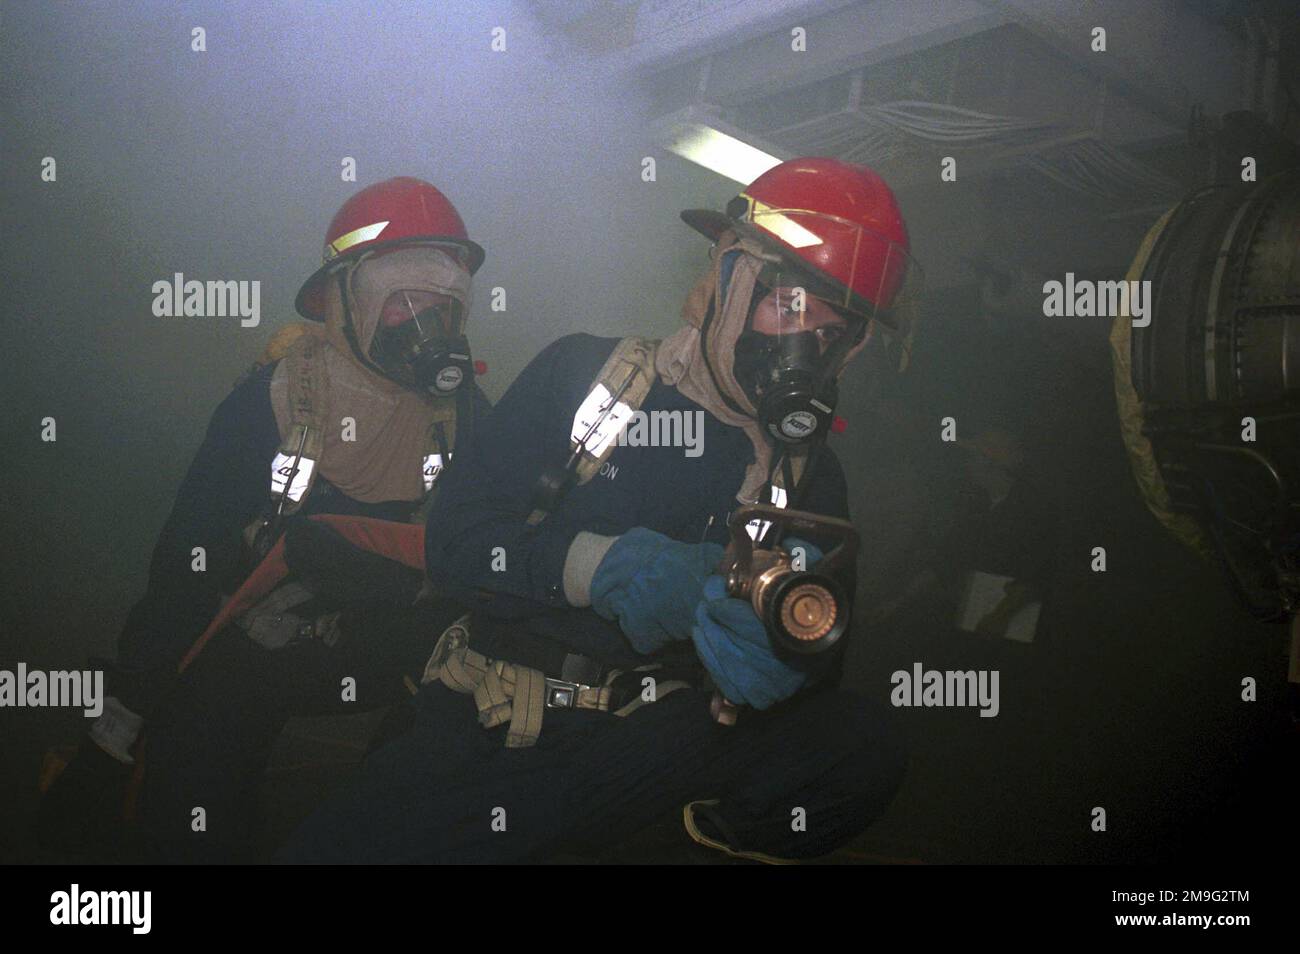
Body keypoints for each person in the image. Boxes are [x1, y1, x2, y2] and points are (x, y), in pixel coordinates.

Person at [280, 157, 917, 864]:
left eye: (834, 333)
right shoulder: (583, 375)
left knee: (864, 744)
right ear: (730, 279)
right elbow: (457, 542)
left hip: (654, 747)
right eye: (791, 306)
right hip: (491, 719)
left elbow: (820, 649)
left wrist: (785, 665)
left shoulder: (810, 478)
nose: (806, 348)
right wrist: (598, 566)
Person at [39, 176, 492, 861]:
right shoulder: (276, 399)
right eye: (402, 299)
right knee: (192, 816)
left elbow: (489, 541)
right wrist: (119, 724)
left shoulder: (460, 413)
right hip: (249, 643)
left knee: (463, 697)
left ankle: (376, 821)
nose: (426, 323)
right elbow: (184, 560)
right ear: (345, 301)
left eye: (442, 303)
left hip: (374, 640)